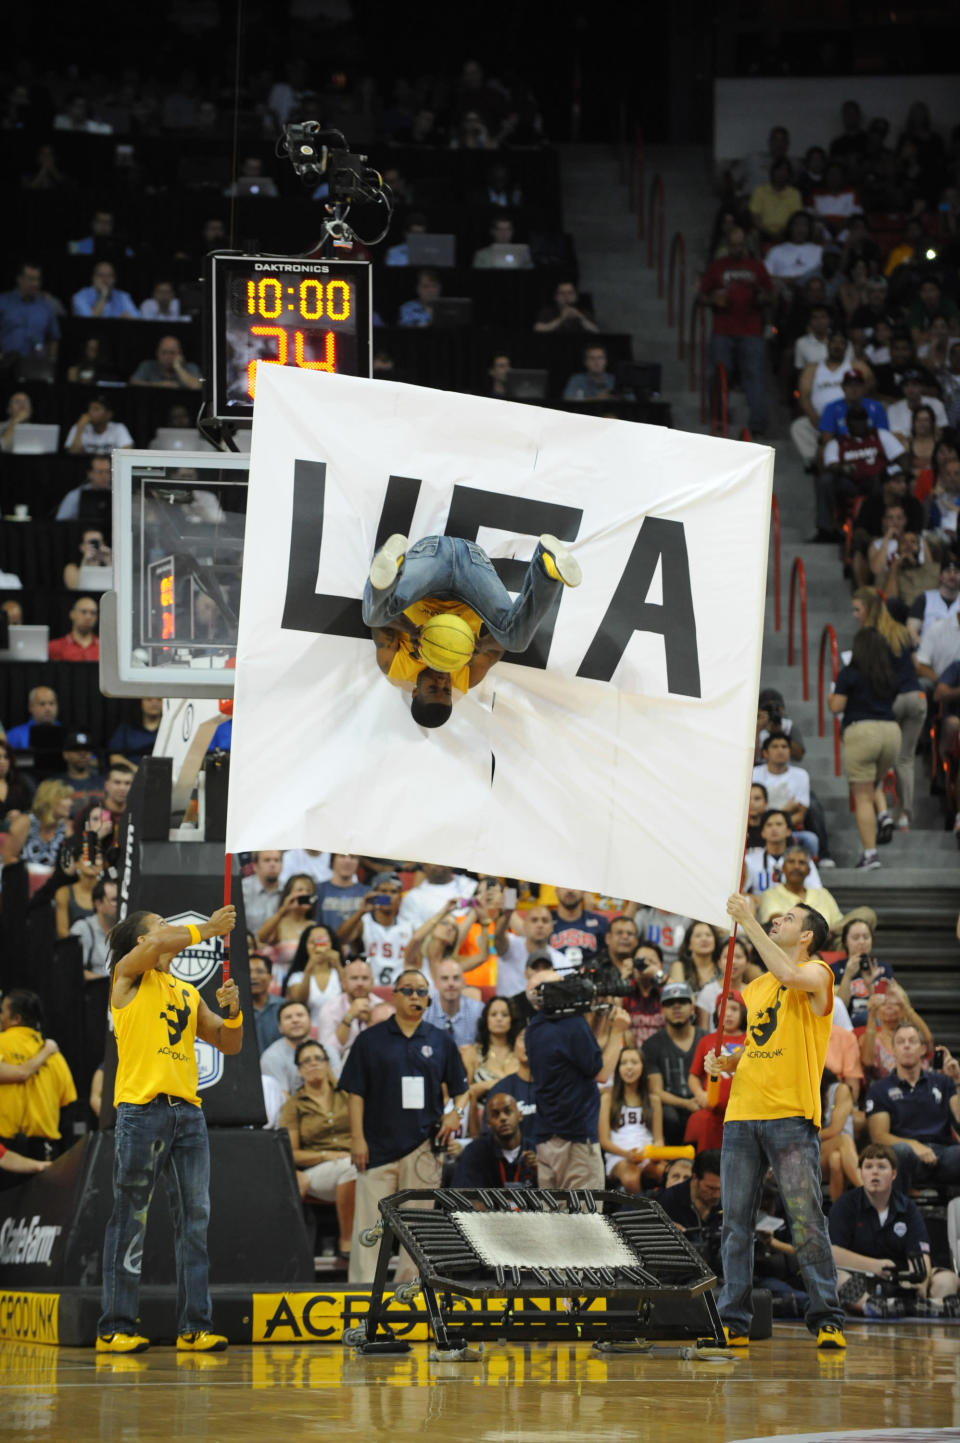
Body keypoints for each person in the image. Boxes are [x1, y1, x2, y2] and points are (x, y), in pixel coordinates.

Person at [97, 902, 239, 1354]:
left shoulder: (185, 990)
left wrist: (233, 1012)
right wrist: (209, 929)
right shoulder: (126, 976)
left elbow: (227, 1043)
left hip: (188, 1113)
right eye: (160, 925)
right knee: (130, 1217)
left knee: (195, 1221)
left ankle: (195, 1326)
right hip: (142, 1110)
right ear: (140, 941)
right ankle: (115, 1325)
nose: (169, 932)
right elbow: (161, 941)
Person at [706, 895, 845, 1349]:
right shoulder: (759, 986)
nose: (778, 920)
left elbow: (789, 974)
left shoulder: (818, 973)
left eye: (788, 918)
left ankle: (826, 1317)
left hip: (789, 1114)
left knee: (805, 1219)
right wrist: (729, 1062)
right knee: (735, 1224)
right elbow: (759, 1042)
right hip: (743, 1113)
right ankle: (734, 1319)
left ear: (806, 936)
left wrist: (747, 919)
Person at [364, 532, 580, 728]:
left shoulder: (395, 666)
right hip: (472, 570)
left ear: (414, 691)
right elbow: (498, 646)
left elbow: (380, 623)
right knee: (516, 642)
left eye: (433, 689)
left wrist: (411, 630)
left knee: (372, 614)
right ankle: (546, 568)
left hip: (431, 563)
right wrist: (481, 646)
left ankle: (393, 565)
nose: (442, 683)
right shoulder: (467, 676)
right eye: (447, 691)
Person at [341, 968, 469, 1283]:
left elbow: (461, 1089)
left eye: (421, 992)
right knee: (369, 1226)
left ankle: (408, 1296)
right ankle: (362, 1294)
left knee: (418, 1226)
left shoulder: (440, 1041)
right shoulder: (371, 1040)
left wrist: (454, 1112)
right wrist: (357, 1139)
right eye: (408, 990)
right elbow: (354, 1093)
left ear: (428, 999)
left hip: (423, 1146)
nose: (415, 997)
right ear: (394, 995)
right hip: (377, 1146)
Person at [525, 969, 631, 1189]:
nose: (569, 990)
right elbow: (601, 1074)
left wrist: (598, 1016)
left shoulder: (535, 1027)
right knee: (586, 1220)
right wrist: (618, 1033)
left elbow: (583, 1054)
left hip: (548, 1138)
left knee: (553, 1218)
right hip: (576, 1141)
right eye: (561, 986)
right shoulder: (571, 1025)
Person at [829, 1143, 959, 1317]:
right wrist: (874, 1265)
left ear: (893, 1174)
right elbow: (832, 1253)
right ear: (861, 1173)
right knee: (835, 1278)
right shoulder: (845, 1204)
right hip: (861, 1278)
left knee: (947, 1280)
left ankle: (927, 1306)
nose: (874, 1172)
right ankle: (872, 1306)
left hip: (901, 1280)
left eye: (882, 1167)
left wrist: (921, 1281)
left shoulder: (907, 1207)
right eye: (868, 1167)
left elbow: (920, 1254)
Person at [828, 627, 902, 869]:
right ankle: (882, 814)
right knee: (873, 785)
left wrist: (831, 696)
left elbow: (837, 706)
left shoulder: (850, 673)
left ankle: (870, 854)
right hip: (891, 731)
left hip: (862, 731)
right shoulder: (890, 674)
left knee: (862, 796)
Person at [280, 1040, 356, 1256]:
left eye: (318, 1059)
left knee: (364, 1169)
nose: (313, 1064)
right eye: (306, 1061)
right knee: (349, 1167)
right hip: (317, 1171)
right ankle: (346, 1242)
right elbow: (292, 1154)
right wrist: (326, 1154)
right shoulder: (294, 1105)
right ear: (300, 1070)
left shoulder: (347, 1095)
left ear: (327, 1064)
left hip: (355, 1162)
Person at [865, 1025, 960, 1193]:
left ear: (923, 1049)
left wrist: (957, 1081)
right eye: (901, 1042)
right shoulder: (880, 1089)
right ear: (893, 1050)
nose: (907, 1046)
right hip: (907, 1156)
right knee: (900, 1152)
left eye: (912, 1041)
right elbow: (878, 1136)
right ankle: (898, 1215)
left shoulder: (942, 1082)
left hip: (943, 1152)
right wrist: (915, 1146)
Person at [699, 225, 773, 435]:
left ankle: (758, 423)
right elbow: (702, 296)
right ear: (726, 245)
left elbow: (770, 294)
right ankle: (718, 416)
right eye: (732, 244)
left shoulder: (756, 267)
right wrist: (712, 298)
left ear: (746, 245)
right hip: (723, 329)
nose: (736, 248)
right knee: (719, 374)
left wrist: (762, 297)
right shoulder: (717, 266)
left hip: (752, 331)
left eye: (740, 244)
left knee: (755, 376)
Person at [0, 990, 75, 1160]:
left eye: (2, 1011)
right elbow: (68, 1106)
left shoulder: (1, 1043)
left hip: (5, 1151)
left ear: (16, 1018)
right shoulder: (55, 1055)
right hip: (44, 1151)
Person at [643, 981, 704, 1145]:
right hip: (671, 1110)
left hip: (703, 1103)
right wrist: (686, 1104)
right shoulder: (651, 1045)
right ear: (662, 1010)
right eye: (669, 1003)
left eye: (682, 1002)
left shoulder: (706, 1039)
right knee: (668, 1115)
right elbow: (656, 1091)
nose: (676, 1007)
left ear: (692, 1007)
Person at [686, 994, 748, 1153]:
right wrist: (701, 1095)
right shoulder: (706, 1041)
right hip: (713, 1114)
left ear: (744, 1012)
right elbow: (694, 1075)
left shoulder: (750, 1041)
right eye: (723, 1008)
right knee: (711, 1159)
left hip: (744, 1113)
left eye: (734, 1009)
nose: (728, 1013)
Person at [599, 1046, 663, 1191]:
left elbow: (658, 1139)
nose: (629, 1067)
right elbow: (604, 1141)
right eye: (624, 1063)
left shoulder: (654, 1100)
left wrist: (655, 1153)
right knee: (632, 1178)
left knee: (666, 1173)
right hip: (619, 1157)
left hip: (647, 1154)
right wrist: (627, 1154)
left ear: (643, 1067)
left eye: (634, 1062)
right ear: (618, 1069)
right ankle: (640, 1213)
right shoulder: (607, 1099)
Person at [337, 871, 413, 983]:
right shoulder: (363, 922)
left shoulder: (408, 927)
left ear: (399, 897)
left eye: (393, 892)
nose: (388, 895)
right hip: (367, 989)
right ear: (373, 894)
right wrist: (361, 911)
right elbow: (340, 939)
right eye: (383, 891)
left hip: (397, 990)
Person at [451, 1092, 537, 1188]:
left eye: (508, 1111)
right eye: (496, 1114)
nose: (503, 1118)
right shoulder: (474, 1152)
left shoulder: (537, 1151)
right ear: (488, 1123)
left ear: (520, 1115)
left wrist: (539, 1173)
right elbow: (463, 1195)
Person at [317, 958, 385, 1077]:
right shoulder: (329, 1009)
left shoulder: (382, 1008)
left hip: (378, 1068)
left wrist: (370, 1021)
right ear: (343, 982)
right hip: (339, 1071)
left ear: (372, 982)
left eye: (365, 978)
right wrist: (349, 1016)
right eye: (354, 978)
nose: (360, 983)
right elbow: (327, 1052)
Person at [756, 847, 842, 936]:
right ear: (783, 868)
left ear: (809, 870)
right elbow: (779, 926)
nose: (796, 866)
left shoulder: (823, 894)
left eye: (802, 863)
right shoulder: (770, 894)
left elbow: (840, 924)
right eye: (791, 862)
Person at [283, 922, 342, 1025]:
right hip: (309, 1030)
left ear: (332, 944)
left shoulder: (340, 972)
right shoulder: (297, 976)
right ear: (305, 946)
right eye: (313, 942)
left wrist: (338, 966)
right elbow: (298, 1001)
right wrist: (309, 969)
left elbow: (352, 993)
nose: (318, 946)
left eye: (323, 941)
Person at [0, 262, 59, 360]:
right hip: (6, 364)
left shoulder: (46, 307)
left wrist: (51, 361)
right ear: (19, 279)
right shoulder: (3, 302)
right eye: (31, 279)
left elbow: (54, 338)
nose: (35, 284)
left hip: (36, 366)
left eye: (38, 279)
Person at [422, 958, 483, 1046]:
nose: (451, 983)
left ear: (463, 982)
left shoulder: (479, 1011)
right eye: (445, 978)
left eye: (456, 978)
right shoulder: (424, 1012)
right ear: (436, 983)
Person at [259, 1000, 312, 1097]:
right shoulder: (271, 1057)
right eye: (288, 1017)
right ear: (280, 1027)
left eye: (300, 1015)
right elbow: (282, 1101)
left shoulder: (328, 1051)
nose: (295, 1020)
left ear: (310, 1021)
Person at [399, 863, 476, 929]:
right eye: (433, 858)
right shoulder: (412, 897)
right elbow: (410, 935)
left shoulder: (471, 885)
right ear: (424, 865)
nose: (438, 863)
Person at [313, 853, 367, 937]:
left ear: (358, 863)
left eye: (353, 857)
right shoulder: (318, 890)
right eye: (342, 856)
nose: (347, 861)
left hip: (358, 947)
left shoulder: (367, 892)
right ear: (333, 860)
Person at [64, 394, 134, 455]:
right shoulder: (79, 427)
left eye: (96, 409)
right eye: (90, 409)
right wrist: (80, 428)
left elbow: (127, 454)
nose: (90, 412)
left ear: (108, 414)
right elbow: (73, 454)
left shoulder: (118, 428)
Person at [129, 335, 202, 390]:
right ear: (157, 353)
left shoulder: (191, 367)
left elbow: (197, 386)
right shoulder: (147, 366)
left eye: (172, 353)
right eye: (164, 353)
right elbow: (133, 383)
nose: (168, 357)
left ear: (180, 354)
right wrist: (159, 385)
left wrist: (178, 367)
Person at [72, 261, 139, 319]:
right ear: (93, 278)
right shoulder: (80, 297)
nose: (105, 279)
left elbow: (137, 319)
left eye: (109, 275)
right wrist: (103, 295)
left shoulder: (123, 296)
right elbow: (90, 323)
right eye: (101, 275)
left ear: (114, 279)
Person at [55, 455, 112, 522]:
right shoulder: (74, 496)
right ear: (90, 474)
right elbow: (60, 524)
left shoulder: (119, 494)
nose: (104, 476)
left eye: (108, 472)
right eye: (100, 472)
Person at [240, 851, 284, 936]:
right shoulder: (242, 889)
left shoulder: (288, 890)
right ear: (255, 866)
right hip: (248, 945)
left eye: (277, 860)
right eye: (267, 860)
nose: (272, 864)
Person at [534, 280, 598, 334]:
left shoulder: (584, 312)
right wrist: (561, 319)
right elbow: (538, 329)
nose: (566, 297)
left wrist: (580, 317)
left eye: (570, 293)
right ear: (555, 297)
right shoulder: (547, 311)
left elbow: (596, 330)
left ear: (576, 296)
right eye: (562, 293)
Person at [249, 953, 282, 1054]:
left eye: (259, 971)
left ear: (270, 977)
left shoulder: (283, 1007)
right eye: (248, 971)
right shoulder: (234, 1009)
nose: (253, 976)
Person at [48, 596, 100, 662]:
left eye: (93, 613)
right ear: (72, 614)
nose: (88, 617)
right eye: (83, 612)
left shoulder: (104, 648)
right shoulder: (54, 647)